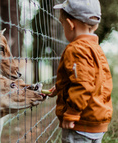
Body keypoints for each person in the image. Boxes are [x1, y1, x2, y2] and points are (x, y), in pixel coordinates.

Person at [47, 0, 113, 142]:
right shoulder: (97, 49)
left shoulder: (76, 49)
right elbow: (95, 82)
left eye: (62, 23)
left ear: (70, 25)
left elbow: (82, 84)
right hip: (97, 121)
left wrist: (72, 113)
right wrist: (60, 88)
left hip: (80, 124)